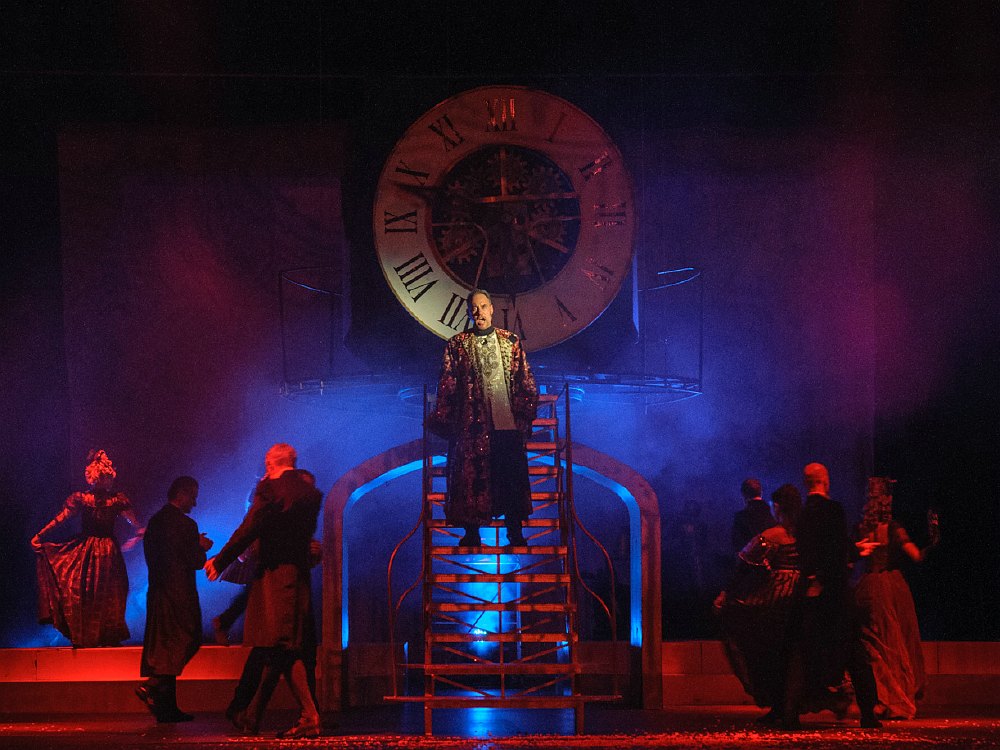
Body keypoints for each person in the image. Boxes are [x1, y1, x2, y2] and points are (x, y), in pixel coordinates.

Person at [205, 443, 323, 739]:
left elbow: (250, 527)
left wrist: (220, 561)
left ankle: (308, 716)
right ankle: (253, 717)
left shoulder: (270, 489)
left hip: (273, 577)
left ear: (270, 464)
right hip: (298, 576)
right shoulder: (310, 492)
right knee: (282, 647)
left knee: (280, 645)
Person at [426, 289, 539, 547]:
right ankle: (472, 532)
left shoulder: (510, 341)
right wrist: (446, 418)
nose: (479, 312)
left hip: (506, 423)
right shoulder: (457, 345)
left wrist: (524, 413)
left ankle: (515, 532)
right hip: (472, 425)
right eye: (474, 308)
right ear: (469, 312)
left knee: (510, 478)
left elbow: (524, 378)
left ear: (491, 309)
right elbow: (448, 383)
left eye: (483, 306)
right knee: (471, 478)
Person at [779, 462, 880, 729]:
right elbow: (835, 550)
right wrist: (855, 553)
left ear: (806, 483)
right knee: (853, 649)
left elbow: (815, 549)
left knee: (802, 651)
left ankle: (790, 712)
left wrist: (847, 552)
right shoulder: (834, 510)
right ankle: (868, 712)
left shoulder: (802, 514)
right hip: (833, 592)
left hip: (808, 590)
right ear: (825, 481)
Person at [32, 449, 143, 647]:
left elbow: (135, 524)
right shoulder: (83, 499)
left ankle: (106, 635)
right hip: (91, 551)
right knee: (86, 591)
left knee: (111, 592)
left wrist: (137, 535)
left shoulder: (116, 500)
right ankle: (88, 635)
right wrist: (40, 535)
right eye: (103, 478)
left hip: (106, 551)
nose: (105, 482)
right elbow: (61, 518)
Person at [854, 477, 939, 719]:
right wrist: (933, 543)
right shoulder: (894, 529)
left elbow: (854, 557)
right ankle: (895, 697)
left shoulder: (861, 528)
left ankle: (880, 698)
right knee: (895, 641)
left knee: (874, 643)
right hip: (891, 588)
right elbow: (916, 556)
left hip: (868, 585)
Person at [715, 484, 803, 718]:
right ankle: (788, 706)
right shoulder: (806, 535)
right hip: (801, 597)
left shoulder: (772, 536)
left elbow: (744, 565)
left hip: (776, 599)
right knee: (793, 655)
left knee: (766, 650)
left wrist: (726, 593)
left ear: (778, 507)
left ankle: (777, 702)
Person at [136, 476, 212, 722]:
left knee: (165, 646)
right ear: (181, 494)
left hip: (158, 591)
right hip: (181, 593)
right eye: (193, 496)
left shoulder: (155, 521)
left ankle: (167, 708)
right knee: (189, 638)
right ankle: (154, 684)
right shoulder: (186, 525)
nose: (195, 503)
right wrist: (201, 546)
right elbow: (196, 561)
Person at [731, 477, 776, 553]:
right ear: (761, 492)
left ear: (744, 495)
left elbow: (737, 545)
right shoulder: (773, 512)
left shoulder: (741, 517)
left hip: (751, 558)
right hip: (772, 557)